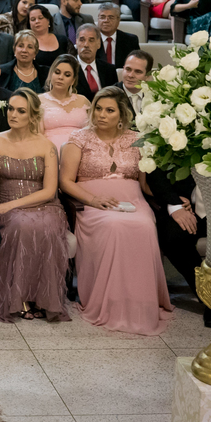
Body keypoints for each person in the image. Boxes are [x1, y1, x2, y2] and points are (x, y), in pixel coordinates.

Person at [60, 88, 172, 335]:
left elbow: (145, 184)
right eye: (98, 109)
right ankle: (109, 301)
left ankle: (140, 302)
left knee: (144, 226)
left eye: (109, 110)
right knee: (113, 226)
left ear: (122, 114)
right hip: (92, 204)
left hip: (133, 202)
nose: (101, 115)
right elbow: (66, 181)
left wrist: (173, 200)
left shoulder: (138, 140)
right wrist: (93, 199)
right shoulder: (78, 138)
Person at [0, 89, 70, 322]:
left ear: (33, 116)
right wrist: (3, 205)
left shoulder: (46, 146)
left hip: (43, 204)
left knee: (46, 227)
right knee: (21, 225)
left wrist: (13, 204)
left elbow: (49, 190)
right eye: (11, 109)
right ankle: (18, 297)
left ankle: (42, 298)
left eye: (21, 111)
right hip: (5, 204)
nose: (13, 114)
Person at [40, 55, 89, 148]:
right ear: (51, 74)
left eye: (67, 75)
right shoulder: (39, 101)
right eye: (57, 72)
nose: (61, 77)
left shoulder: (83, 100)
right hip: (49, 151)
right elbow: (36, 135)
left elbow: (92, 132)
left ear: (73, 81)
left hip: (83, 150)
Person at [74, 25, 119, 101]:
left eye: (91, 40)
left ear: (98, 44)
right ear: (76, 42)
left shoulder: (109, 70)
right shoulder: (68, 68)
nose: (86, 45)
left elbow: (115, 97)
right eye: (82, 40)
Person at [94, 3, 139, 67]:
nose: (106, 21)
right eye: (102, 17)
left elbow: (137, 63)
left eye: (111, 18)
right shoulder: (91, 39)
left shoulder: (131, 40)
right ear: (98, 19)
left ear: (118, 20)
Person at [119, 50, 153, 117]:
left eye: (138, 72)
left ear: (147, 76)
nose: (130, 75)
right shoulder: (110, 95)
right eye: (128, 69)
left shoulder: (154, 96)